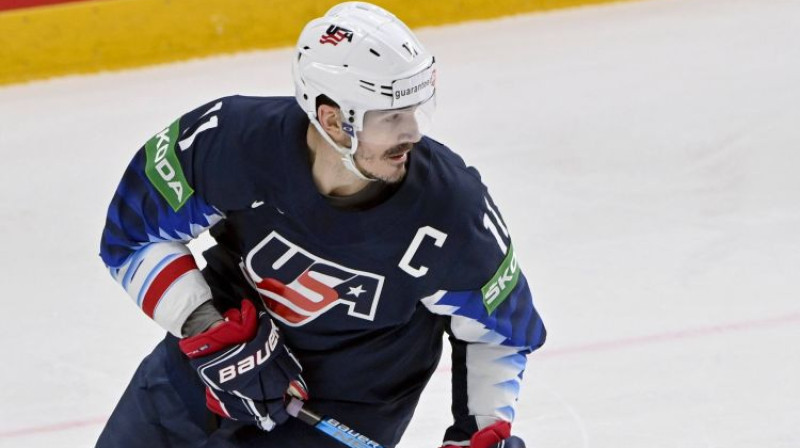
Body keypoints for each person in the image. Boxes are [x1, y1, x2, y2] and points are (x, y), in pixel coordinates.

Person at [96, 2, 546, 447]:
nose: (412, 132)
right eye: (391, 117)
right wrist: (207, 329)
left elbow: (501, 331)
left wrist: (478, 433)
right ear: (333, 119)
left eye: (414, 111)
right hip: (203, 374)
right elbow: (132, 234)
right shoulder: (231, 143)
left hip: (344, 412)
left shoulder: (450, 210)